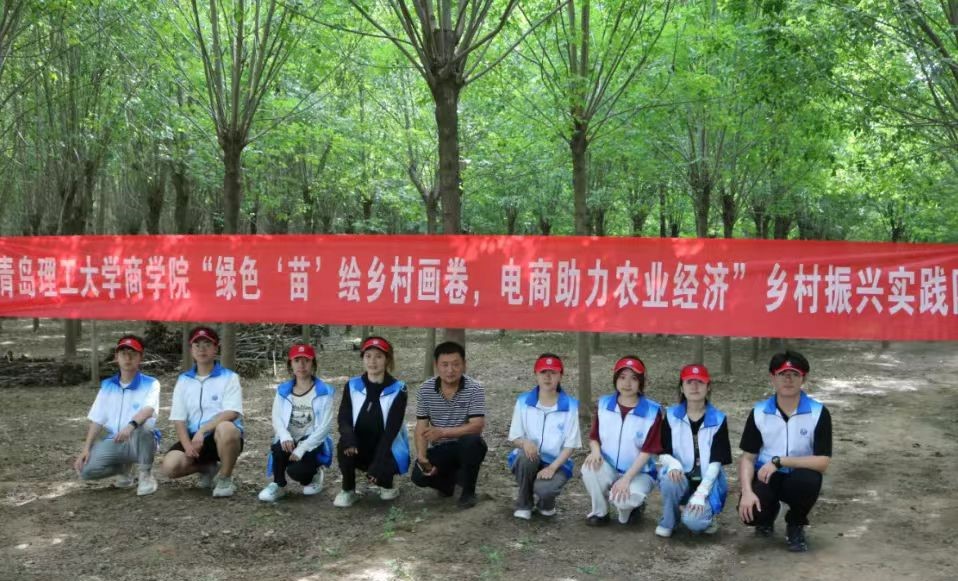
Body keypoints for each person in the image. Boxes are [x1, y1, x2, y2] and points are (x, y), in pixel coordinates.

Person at [738, 350, 832, 552]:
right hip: (766, 476)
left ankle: (796, 523)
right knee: (751, 513)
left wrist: (781, 461)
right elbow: (748, 458)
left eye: (795, 374)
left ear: (804, 378)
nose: (788, 379)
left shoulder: (818, 412)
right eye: (782, 374)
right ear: (772, 377)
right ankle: (768, 513)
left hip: (799, 476)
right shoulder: (759, 412)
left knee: (808, 480)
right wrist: (747, 491)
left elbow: (823, 462)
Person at [161, 326, 244, 498]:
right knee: (170, 467)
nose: (202, 349)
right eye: (197, 345)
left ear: (216, 348)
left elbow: (232, 412)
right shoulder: (184, 380)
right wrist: (187, 445)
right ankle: (208, 467)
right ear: (191, 350)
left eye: (207, 344)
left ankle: (225, 478)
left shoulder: (229, 377)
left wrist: (203, 430)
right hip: (194, 439)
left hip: (220, 436)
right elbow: (179, 419)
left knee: (227, 428)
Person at [581, 355, 663, 526]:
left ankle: (631, 509)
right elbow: (594, 436)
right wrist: (595, 451)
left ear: (641, 382)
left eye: (634, 378)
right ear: (615, 379)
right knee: (589, 468)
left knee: (625, 501)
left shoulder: (652, 411)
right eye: (622, 377)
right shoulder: (604, 404)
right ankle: (600, 512)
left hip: (640, 472)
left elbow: (648, 450)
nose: (627, 383)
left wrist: (626, 478)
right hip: (609, 466)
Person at [74, 335, 160, 496]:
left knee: (144, 428)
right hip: (115, 441)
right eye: (123, 353)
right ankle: (124, 470)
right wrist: (86, 449)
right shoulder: (108, 385)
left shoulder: (151, 383)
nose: (128, 358)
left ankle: (145, 475)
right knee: (85, 471)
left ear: (140, 357)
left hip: (140, 441)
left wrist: (130, 426)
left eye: (132, 354)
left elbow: (148, 410)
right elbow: (97, 419)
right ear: (116, 357)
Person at [655, 364, 732, 538]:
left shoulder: (719, 419)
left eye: (700, 382)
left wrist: (701, 493)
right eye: (689, 382)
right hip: (681, 478)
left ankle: (703, 514)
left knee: (694, 523)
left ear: (708, 387)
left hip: (707, 481)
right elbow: (663, 451)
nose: (695, 386)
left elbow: (716, 462)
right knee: (669, 479)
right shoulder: (671, 416)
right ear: (682, 387)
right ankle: (669, 521)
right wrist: (673, 464)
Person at [334, 336, 409, 507]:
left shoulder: (399, 389)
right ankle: (348, 489)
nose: (372, 361)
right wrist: (349, 439)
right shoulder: (352, 385)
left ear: (387, 359)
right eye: (368, 356)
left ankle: (387, 483)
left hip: (387, 448)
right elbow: (343, 418)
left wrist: (377, 464)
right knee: (344, 444)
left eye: (378, 356)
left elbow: (391, 431)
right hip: (359, 446)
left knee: (386, 496)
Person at [411, 341, 487, 509]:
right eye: (444, 365)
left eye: (455, 364)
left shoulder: (475, 389)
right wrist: (422, 456)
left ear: (464, 365)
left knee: (473, 441)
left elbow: (477, 426)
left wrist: (443, 432)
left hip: (465, 445)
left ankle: (468, 492)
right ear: (436, 366)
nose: (450, 370)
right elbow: (421, 426)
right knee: (418, 476)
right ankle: (449, 485)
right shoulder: (425, 390)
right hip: (441, 448)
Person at [506, 353, 581, 520]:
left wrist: (552, 468)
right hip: (530, 457)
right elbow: (515, 436)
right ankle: (524, 503)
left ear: (561, 375)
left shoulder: (570, 405)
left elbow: (570, 445)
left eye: (553, 372)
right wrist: (525, 443)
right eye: (543, 372)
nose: (548, 377)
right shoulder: (523, 401)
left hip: (557, 462)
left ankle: (546, 503)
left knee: (545, 489)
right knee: (524, 458)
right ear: (536, 374)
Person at [258, 343, 335, 502]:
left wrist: (303, 448)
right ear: (290, 364)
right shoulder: (283, 391)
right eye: (297, 360)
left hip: (311, 440)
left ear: (313, 363)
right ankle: (279, 485)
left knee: (297, 471)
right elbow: (277, 417)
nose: (301, 365)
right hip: (290, 438)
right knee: (278, 448)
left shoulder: (324, 392)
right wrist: (284, 435)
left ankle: (313, 475)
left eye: (306, 360)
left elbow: (325, 426)